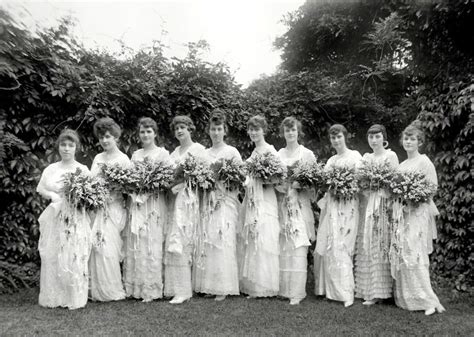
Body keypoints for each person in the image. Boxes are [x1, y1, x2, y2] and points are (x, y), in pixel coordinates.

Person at [391, 123, 445, 315]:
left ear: (419, 142)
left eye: (412, 139)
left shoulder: (424, 162)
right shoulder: (402, 165)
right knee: (404, 252)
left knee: (416, 253)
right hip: (403, 214)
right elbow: (396, 189)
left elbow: (432, 187)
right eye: (406, 138)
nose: (408, 142)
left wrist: (415, 199)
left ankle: (428, 300)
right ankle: (409, 299)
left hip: (419, 213)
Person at [36, 129, 90, 309]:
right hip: (54, 215)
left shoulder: (82, 170)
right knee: (53, 253)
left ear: (76, 148)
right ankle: (55, 295)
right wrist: (52, 195)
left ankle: (73, 295)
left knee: (73, 253)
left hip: (74, 216)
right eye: (63, 145)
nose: (66, 149)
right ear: (58, 147)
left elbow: (89, 194)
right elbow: (41, 188)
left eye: (70, 145)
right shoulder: (51, 169)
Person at [193, 110, 241, 301]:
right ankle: (208, 285)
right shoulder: (204, 154)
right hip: (208, 201)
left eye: (219, 129)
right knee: (208, 240)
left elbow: (239, 178)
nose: (215, 132)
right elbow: (199, 179)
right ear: (209, 131)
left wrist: (224, 187)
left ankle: (223, 287)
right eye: (213, 129)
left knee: (223, 240)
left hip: (225, 200)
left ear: (224, 131)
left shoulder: (232, 152)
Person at [314, 124, 362, 307]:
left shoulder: (355, 156)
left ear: (345, 137)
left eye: (339, 137)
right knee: (332, 244)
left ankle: (346, 292)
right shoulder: (331, 161)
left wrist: (345, 188)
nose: (336, 140)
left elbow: (360, 182)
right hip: (334, 206)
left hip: (348, 206)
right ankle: (332, 291)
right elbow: (325, 184)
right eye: (333, 138)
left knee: (344, 245)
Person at [123, 117, 170, 302]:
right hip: (138, 203)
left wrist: (150, 189)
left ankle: (151, 289)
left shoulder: (163, 154)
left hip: (154, 204)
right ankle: (136, 287)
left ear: (155, 133)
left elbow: (167, 180)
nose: (145, 135)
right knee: (137, 241)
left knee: (152, 242)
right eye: (142, 132)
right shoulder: (135, 155)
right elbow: (131, 179)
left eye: (149, 131)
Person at [164, 115, 206, 304]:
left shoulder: (199, 150)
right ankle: (179, 288)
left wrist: (188, 183)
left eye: (183, 127)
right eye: (176, 128)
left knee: (185, 240)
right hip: (175, 201)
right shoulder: (173, 154)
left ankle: (187, 290)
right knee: (176, 241)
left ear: (190, 129)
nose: (179, 131)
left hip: (191, 201)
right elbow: (169, 176)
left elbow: (205, 178)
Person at [355, 124, 399, 305]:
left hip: (383, 205)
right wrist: (366, 185)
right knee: (367, 244)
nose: (374, 140)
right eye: (371, 137)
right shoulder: (366, 158)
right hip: (367, 204)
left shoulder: (391, 156)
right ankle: (368, 291)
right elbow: (360, 182)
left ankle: (382, 292)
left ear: (384, 138)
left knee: (380, 242)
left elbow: (394, 182)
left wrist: (380, 186)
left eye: (377, 136)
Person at [239, 115, 280, 298]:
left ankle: (266, 285)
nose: (254, 132)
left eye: (257, 129)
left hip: (265, 199)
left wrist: (263, 178)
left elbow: (278, 178)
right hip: (253, 199)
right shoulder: (254, 153)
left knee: (264, 238)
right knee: (254, 238)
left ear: (264, 130)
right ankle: (254, 286)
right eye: (251, 129)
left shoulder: (270, 151)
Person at [89, 117, 130, 301]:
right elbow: (91, 181)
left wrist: (114, 189)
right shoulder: (98, 158)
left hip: (114, 208)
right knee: (96, 246)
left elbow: (129, 188)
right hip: (98, 208)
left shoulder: (123, 159)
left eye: (108, 137)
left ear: (115, 137)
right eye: (101, 137)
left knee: (108, 248)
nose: (105, 140)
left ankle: (112, 289)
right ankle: (97, 289)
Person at [277, 117, 316, 305]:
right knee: (285, 244)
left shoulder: (307, 154)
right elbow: (274, 180)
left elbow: (313, 182)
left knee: (298, 243)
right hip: (284, 202)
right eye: (287, 130)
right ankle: (285, 288)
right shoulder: (279, 154)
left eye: (293, 130)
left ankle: (297, 291)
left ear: (298, 132)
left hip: (300, 204)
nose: (290, 133)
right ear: (283, 133)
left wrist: (300, 184)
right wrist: (282, 185)